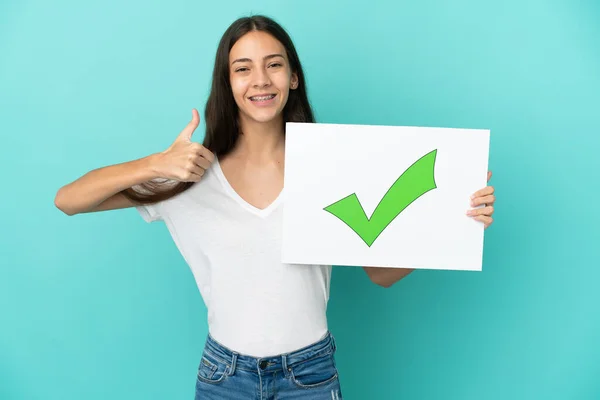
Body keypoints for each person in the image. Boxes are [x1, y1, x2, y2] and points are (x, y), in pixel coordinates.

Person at [54, 14, 496, 400]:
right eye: (243, 69)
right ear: (228, 83)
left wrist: (453, 221)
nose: (260, 80)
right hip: (224, 377)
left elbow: (379, 275)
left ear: (293, 77)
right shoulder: (192, 174)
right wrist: (155, 164)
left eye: (274, 65)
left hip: (311, 375)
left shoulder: (331, 166)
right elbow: (68, 200)